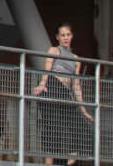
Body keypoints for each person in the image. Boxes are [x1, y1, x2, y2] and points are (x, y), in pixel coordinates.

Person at [32, 22, 94, 166]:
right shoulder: (54, 50)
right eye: (62, 35)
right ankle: (49, 163)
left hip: (65, 92)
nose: (65, 38)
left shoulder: (76, 59)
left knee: (81, 127)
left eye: (68, 35)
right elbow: (46, 70)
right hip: (52, 87)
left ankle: (70, 161)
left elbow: (76, 85)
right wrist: (42, 84)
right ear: (57, 37)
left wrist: (83, 109)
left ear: (72, 36)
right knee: (53, 128)